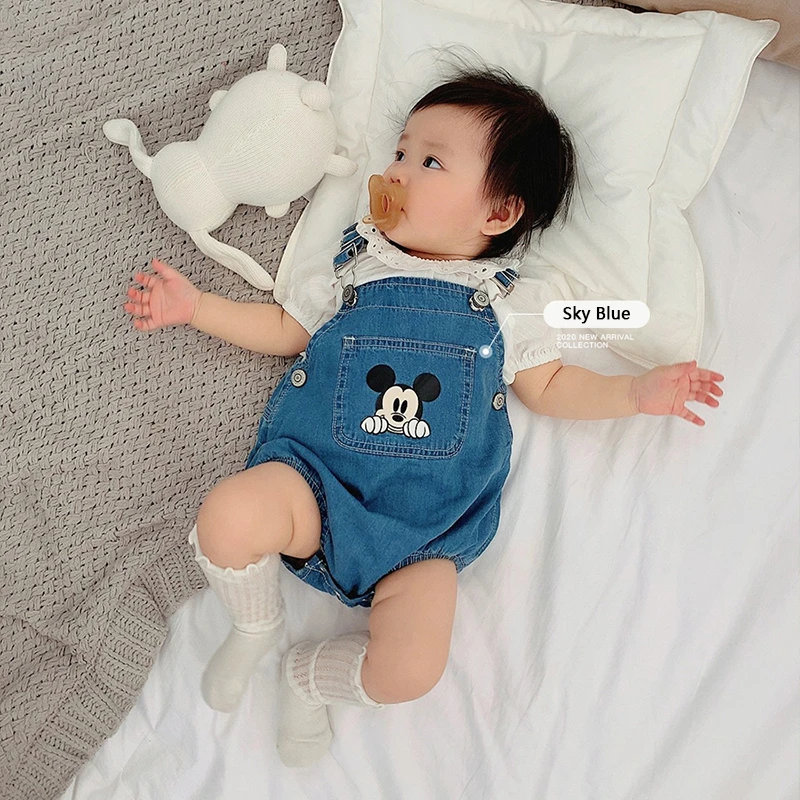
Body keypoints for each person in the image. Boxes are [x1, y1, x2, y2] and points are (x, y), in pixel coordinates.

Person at [123, 65, 724, 768]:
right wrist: (197, 308)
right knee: (226, 516)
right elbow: (287, 329)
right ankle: (255, 625)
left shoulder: (513, 303)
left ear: (498, 214)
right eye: (400, 152)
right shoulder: (355, 266)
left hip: (426, 530)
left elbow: (553, 385)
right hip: (314, 483)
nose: (397, 171)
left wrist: (634, 393)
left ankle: (309, 679)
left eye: (429, 161)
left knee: (410, 670)